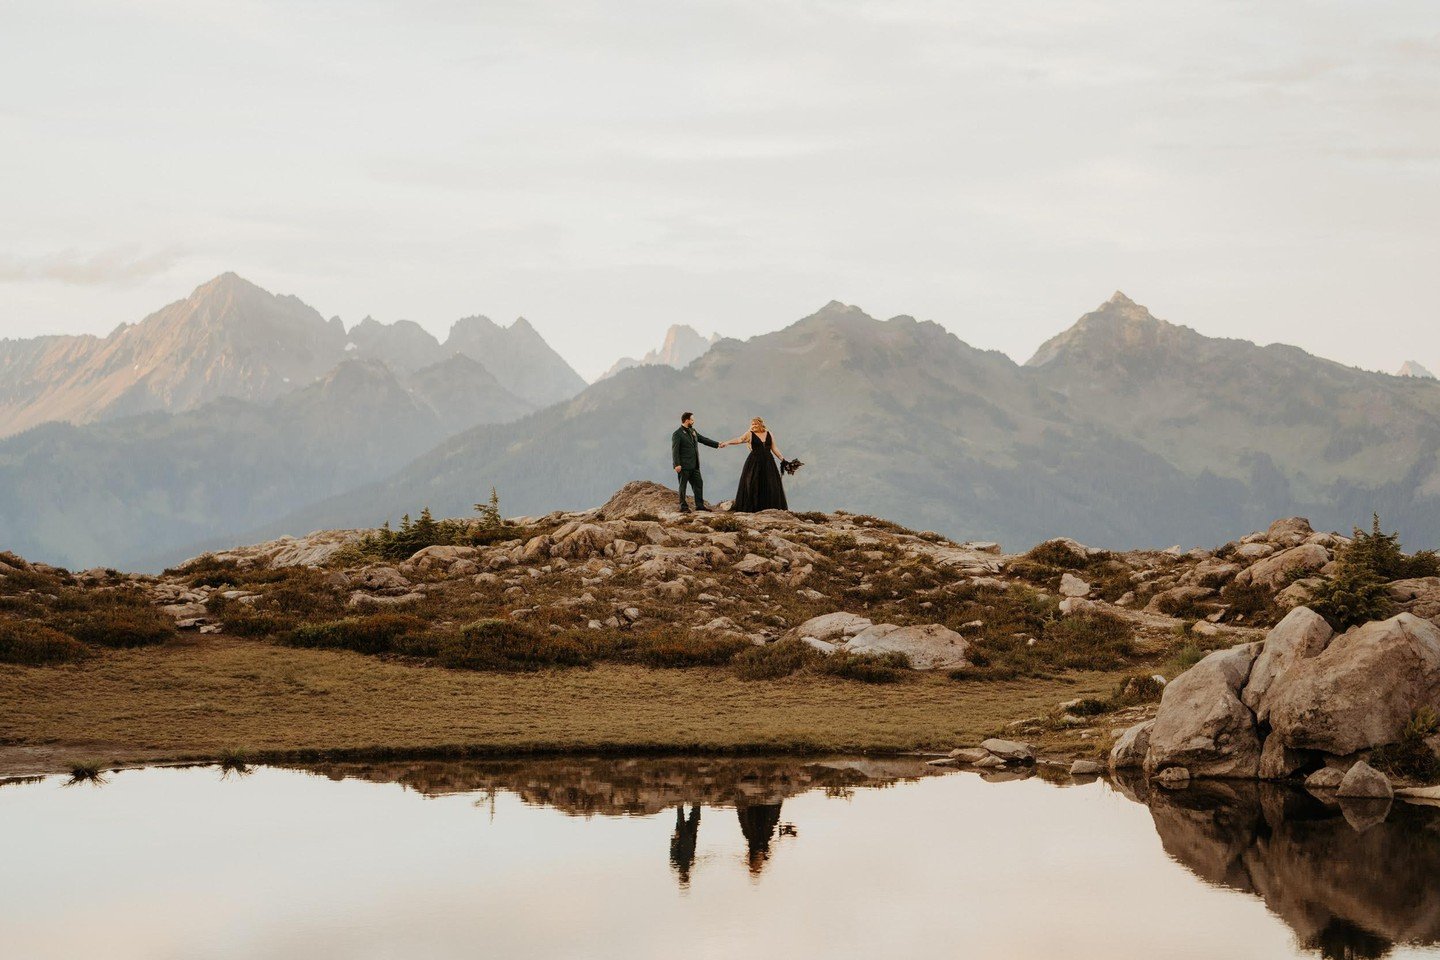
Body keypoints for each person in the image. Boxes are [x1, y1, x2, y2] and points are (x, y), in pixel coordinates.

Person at [720, 416, 789, 512]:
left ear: (760, 424)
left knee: (770, 484)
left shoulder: (769, 433)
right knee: (753, 483)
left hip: (768, 463)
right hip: (754, 463)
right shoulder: (750, 434)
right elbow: (739, 440)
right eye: (752, 424)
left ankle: (768, 508)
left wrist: (783, 459)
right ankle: (754, 508)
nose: (753, 426)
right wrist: (727, 443)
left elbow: (774, 448)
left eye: (755, 424)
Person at [671, 411, 720, 512]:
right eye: (692, 420)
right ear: (687, 420)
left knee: (699, 484)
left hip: (695, 465)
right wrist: (676, 464)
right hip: (683, 466)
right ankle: (683, 507)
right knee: (683, 486)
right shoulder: (677, 434)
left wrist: (717, 444)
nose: (694, 421)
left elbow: (703, 439)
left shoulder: (693, 431)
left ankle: (700, 506)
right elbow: (675, 450)